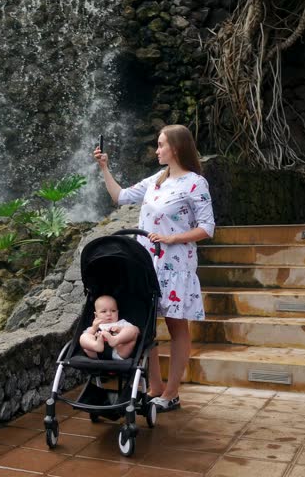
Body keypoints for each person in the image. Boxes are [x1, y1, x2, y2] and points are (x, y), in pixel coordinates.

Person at [92, 124, 215, 412]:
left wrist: (172, 238)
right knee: (145, 324)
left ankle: (171, 393)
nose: (157, 150)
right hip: (146, 263)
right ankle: (154, 387)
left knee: (176, 326)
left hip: (176, 264)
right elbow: (120, 197)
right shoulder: (156, 180)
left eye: (161, 145)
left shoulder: (196, 183)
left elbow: (207, 227)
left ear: (176, 147)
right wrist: (104, 168)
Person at [79, 295, 140, 360]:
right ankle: (96, 345)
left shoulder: (121, 323)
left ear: (117, 312)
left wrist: (120, 330)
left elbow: (136, 333)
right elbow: (86, 336)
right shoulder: (95, 325)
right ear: (96, 315)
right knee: (83, 337)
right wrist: (93, 329)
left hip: (118, 351)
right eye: (104, 311)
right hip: (96, 352)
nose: (109, 314)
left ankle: (115, 339)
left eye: (113, 311)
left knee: (134, 329)